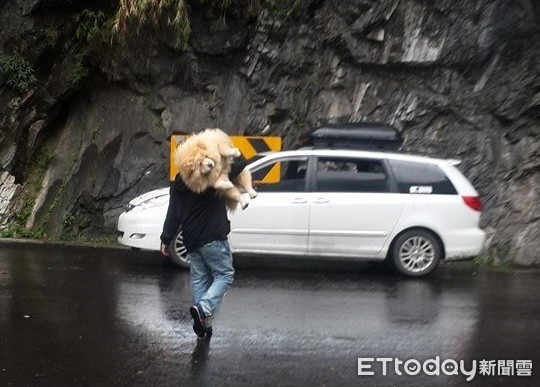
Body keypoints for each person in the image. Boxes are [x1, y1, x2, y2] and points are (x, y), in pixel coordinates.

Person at [160, 158, 247, 340]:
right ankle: (203, 309)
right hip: (213, 236)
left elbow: (173, 212)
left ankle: (202, 326)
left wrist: (166, 238)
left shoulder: (178, 182)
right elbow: (241, 162)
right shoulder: (211, 176)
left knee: (200, 279)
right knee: (224, 275)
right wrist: (219, 150)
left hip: (190, 238)